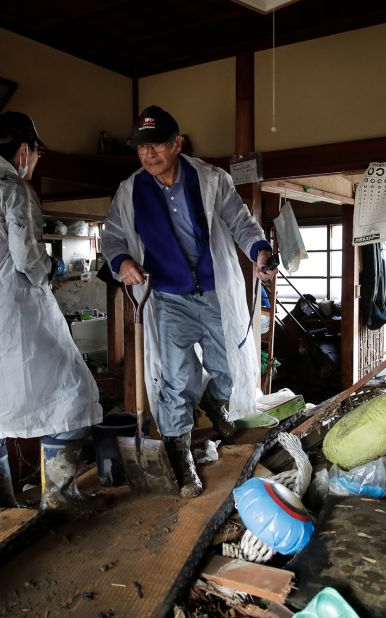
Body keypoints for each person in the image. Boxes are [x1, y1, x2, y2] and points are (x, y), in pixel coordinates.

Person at [101, 105, 277, 497]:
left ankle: (215, 405)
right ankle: (181, 460)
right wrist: (122, 261)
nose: (149, 156)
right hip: (167, 296)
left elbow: (240, 222)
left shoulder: (211, 179)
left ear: (177, 144)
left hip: (214, 292)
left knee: (229, 367)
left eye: (158, 146)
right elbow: (111, 237)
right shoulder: (131, 190)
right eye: (142, 148)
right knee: (176, 377)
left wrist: (260, 253)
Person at [0, 111, 102, 510]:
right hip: (12, 320)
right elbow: (28, 260)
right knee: (73, 395)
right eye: (36, 153)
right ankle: (60, 497)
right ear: (24, 150)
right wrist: (55, 267)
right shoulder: (11, 187)